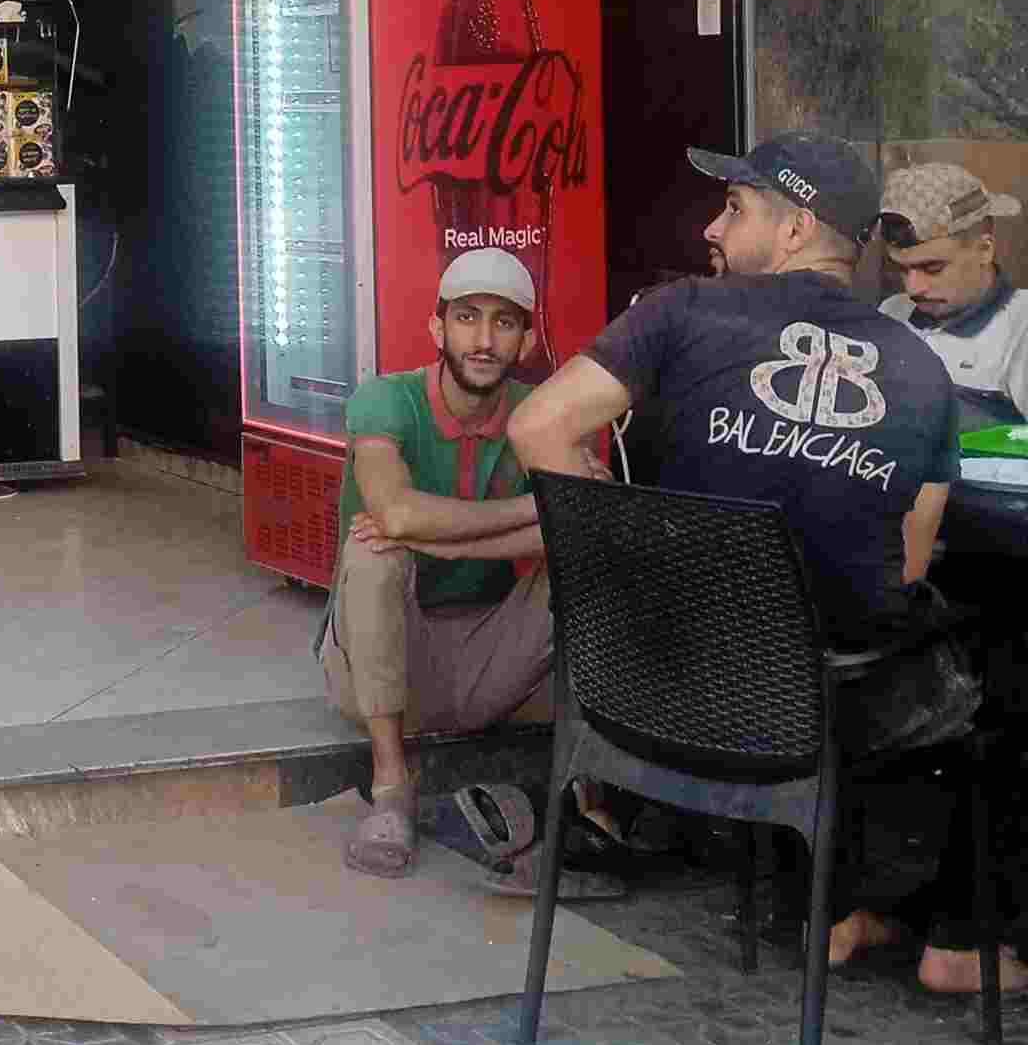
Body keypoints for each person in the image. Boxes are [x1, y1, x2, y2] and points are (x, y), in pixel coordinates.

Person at [509, 133, 1004, 993]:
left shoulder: (680, 313)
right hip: (820, 721)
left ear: (796, 228)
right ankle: (929, 928)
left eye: (734, 208)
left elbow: (536, 426)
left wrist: (627, 568)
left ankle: (828, 905)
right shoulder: (923, 372)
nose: (713, 225)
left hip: (646, 697)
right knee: (992, 677)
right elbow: (910, 565)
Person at [321, 249, 556, 879]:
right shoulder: (386, 399)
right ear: (437, 328)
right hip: (380, 667)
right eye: (467, 317)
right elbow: (395, 513)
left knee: (587, 562)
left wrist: (453, 541)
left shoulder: (539, 413)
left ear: (527, 340)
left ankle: (592, 799)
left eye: (504, 322)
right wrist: (533, 511)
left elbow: (581, 525)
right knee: (375, 550)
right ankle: (391, 788)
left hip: (492, 667)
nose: (484, 340)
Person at [876, 163, 1028, 422]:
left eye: (933, 268)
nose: (913, 288)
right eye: (901, 269)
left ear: (984, 249)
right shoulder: (892, 312)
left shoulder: (1021, 329)